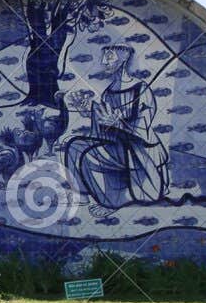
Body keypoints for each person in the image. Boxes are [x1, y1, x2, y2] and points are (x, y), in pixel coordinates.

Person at [61, 44, 170, 212]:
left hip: (137, 151)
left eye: (110, 57)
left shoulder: (141, 89)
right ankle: (81, 195)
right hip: (114, 144)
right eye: (104, 57)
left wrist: (118, 124)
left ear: (124, 58)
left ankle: (111, 202)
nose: (104, 62)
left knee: (89, 153)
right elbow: (102, 124)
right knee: (74, 145)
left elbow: (144, 126)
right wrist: (89, 110)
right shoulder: (108, 92)